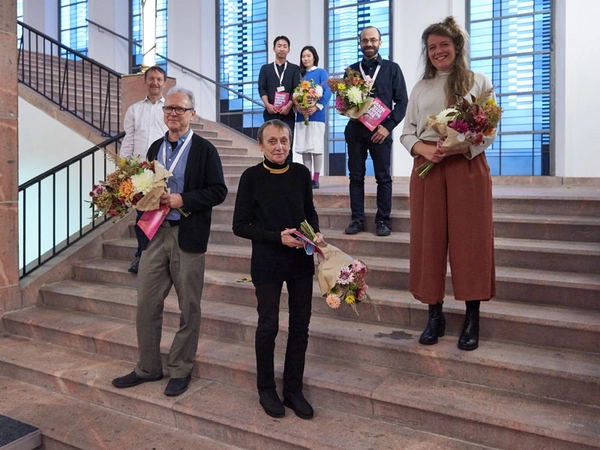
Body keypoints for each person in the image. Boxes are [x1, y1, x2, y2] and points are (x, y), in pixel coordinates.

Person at [112, 86, 228, 396]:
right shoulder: (154, 148)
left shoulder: (205, 150)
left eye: (179, 109)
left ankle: (180, 368)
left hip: (187, 236)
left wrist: (182, 199)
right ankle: (148, 367)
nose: (173, 113)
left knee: (189, 307)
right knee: (146, 304)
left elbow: (218, 191)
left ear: (192, 114)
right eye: (168, 109)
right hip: (155, 234)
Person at [400, 16, 497, 351]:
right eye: (432, 47)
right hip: (428, 168)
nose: (438, 51)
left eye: (444, 45)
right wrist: (426, 149)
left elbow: (489, 130)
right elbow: (407, 132)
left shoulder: (478, 81)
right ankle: (434, 313)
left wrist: (461, 144)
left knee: (471, 242)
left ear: (457, 47)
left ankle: (472, 317)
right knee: (428, 240)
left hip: (467, 168)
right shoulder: (420, 87)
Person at [232, 119, 324, 420]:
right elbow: (240, 226)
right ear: (260, 145)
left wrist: (315, 233)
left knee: (300, 325)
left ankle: (293, 390)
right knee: (268, 325)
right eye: (272, 141)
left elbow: (308, 210)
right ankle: (266, 388)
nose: (279, 146)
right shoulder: (251, 177)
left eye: (284, 140)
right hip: (268, 261)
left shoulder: (300, 173)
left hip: (300, 260)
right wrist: (276, 237)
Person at [344, 26, 408, 237]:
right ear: (360, 43)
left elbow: (402, 102)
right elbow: (343, 103)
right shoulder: (351, 71)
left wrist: (387, 127)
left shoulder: (392, 69)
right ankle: (357, 219)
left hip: (380, 132)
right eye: (365, 40)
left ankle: (382, 220)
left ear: (380, 42)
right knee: (355, 177)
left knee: (383, 177)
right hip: (356, 131)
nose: (369, 44)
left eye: (373, 40)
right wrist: (346, 108)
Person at [120, 65, 169, 274]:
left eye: (159, 79)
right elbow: (128, 139)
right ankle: (141, 255)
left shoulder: (169, 109)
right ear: (145, 81)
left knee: (163, 215)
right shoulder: (134, 109)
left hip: (163, 170)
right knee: (141, 216)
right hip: (140, 172)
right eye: (151, 79)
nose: (155, 82)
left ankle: (163, 258)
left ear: (164, 83)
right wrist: (123, 169)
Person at [292, 46, 331, 189]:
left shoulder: (321, 73)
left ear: (314, 57)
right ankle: (307, 178)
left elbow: (327, 91)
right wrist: (299, 107)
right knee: (305, 147)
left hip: (317, 116)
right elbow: (294, 93)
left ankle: (316, 178)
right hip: (302, 116)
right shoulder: (299, 75)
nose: (306, 59)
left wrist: (316, 106)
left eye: (308, 56)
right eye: (303, 56)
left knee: (316, 147)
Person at [258, 36, 301, 159]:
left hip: (288, 114)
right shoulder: (265, 69)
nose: (282, 49)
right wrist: (267, 105)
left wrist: (288, 106)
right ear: (274, 49)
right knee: (269, 143)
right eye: (279, 46)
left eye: (284, 46)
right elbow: (262, 88)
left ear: (289, 50)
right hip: (270, 112)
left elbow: (296, 89)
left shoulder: (294, 69)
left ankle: (287, 175)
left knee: (286, 145)